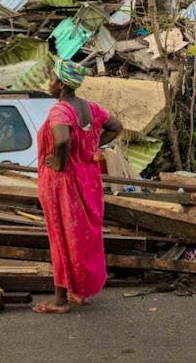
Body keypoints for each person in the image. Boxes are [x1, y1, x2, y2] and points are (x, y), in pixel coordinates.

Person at [32, 59, 123, 314]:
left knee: (61, 237)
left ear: (62, 85)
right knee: (83, 237)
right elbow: (116, 126)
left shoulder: (60, 111)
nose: (49, 84)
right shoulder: (91, 108)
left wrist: (60, 162)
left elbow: (61, 139)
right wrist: (90, 146)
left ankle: (59, 301)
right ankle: (79, 291)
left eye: (52, 79)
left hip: (64, 183)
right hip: (88, 179)